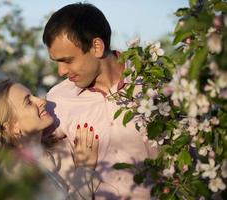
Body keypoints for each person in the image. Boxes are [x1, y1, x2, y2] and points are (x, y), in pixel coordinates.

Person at [42, 3, 157, 199]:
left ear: (97, 47)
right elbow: (25, 145)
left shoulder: (152, 84)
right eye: (57, 62)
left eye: (67, 60)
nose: (60, 72)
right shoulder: (57, 100)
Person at [0, 79, 99, 200]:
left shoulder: (55, 147)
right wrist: (85, 168)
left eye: (33, 95)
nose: (42, 101)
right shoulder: (14, 176)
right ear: (11, 127)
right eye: (28, 102)